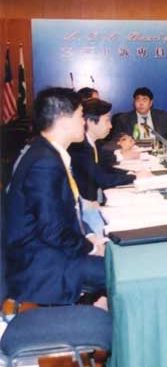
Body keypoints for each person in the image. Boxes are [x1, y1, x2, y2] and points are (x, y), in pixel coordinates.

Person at [3, 87, 106, 305]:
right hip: (42, 266)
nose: (84, 122)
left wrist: (89, 237)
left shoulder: (45, 151)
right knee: (118, 271)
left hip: (49, 251)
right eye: (80, 115)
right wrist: (91, 247)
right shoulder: (44, 162)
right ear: (63, 120)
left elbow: (66, 214)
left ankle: (97, 306)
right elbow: (52, 230)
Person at [70, 98, 141, 203]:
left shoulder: (95, 143)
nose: (110, 126)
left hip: (96, 198)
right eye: (107, 120)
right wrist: (134, 177)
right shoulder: (80, 148)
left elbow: (105, 168)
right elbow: (103, 179)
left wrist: (132, 173)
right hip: (87, 203)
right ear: (90, 122)